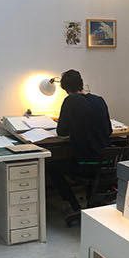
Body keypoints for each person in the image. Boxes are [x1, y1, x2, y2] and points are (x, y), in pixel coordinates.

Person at [52, 70, 111, 227]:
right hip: (105, 163)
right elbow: (109, 130)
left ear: (65, 89)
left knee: (52, 167)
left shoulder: (70, 101)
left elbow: (61, 132)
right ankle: (93, 202)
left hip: (86, 165)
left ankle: (74, 205)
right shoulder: (99, 100)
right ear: (81, 83)